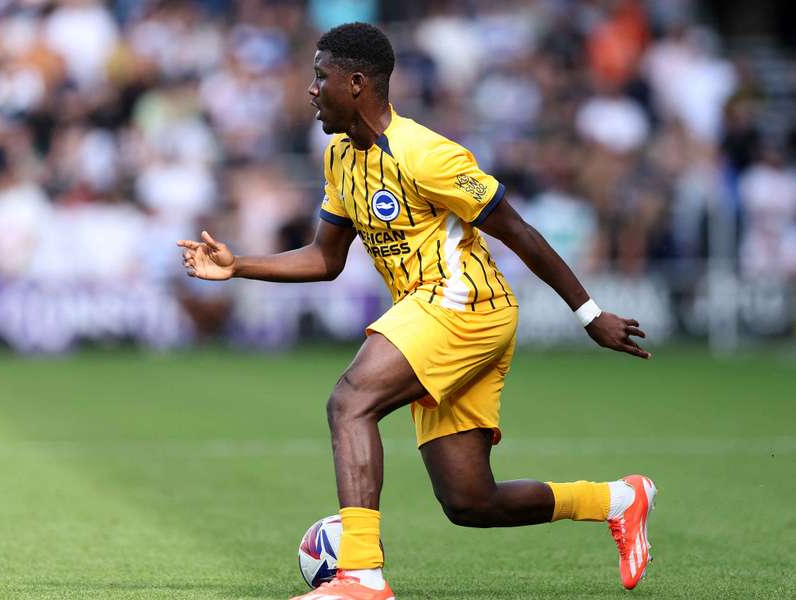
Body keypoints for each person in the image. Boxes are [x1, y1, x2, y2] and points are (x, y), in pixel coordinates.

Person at [178, 22, 656, 600]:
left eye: (319, 76)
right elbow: (325, 259)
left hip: (462, 303)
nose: (309, 89)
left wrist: (590, 314)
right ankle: (619, 500)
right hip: (433, 312)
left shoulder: (424, 153)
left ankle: (360, 576)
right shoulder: (339, 158)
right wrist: (237, 266)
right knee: (469, 501)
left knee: (349, 402)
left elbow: (518, 231)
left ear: (356, 83)